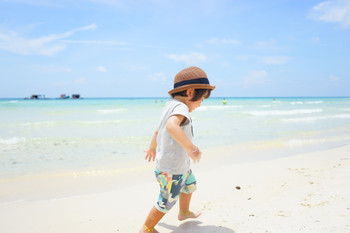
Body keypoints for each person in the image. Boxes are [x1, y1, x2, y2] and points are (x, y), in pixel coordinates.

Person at [140, 66, 215, 233]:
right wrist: (191, 148)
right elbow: (171, 126)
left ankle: (184, 212)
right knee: (166, 202)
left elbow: (158, 130)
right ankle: (147, 228)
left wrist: (152, 147)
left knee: (190, 186)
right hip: (172, 170)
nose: (200, 104)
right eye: (201, 99)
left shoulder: (170, 105)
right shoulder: (181, 108)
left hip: (180, 166)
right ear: (190, 93)